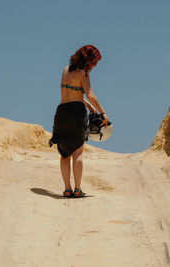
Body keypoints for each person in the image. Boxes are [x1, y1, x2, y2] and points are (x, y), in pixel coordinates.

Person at [49, 45, 108, 198]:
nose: (94, 65)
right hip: (76, 114)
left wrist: (85, 103)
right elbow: (89, 94)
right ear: (88, 59)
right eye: (94, 61)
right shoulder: (84, 74)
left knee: (64, 153)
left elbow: (68, 92)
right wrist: (103, 112)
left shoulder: (65, 70)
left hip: (61, 112)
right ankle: (77, 189)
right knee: (77, 153)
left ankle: (67, 189)